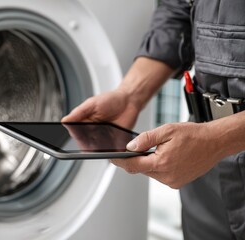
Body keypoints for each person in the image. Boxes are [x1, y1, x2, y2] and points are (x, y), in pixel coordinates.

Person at [62, 1, 245, 239]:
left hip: (208, 146)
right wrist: (130, 95)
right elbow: (178, 8)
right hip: (203, 171)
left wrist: (217, 140)